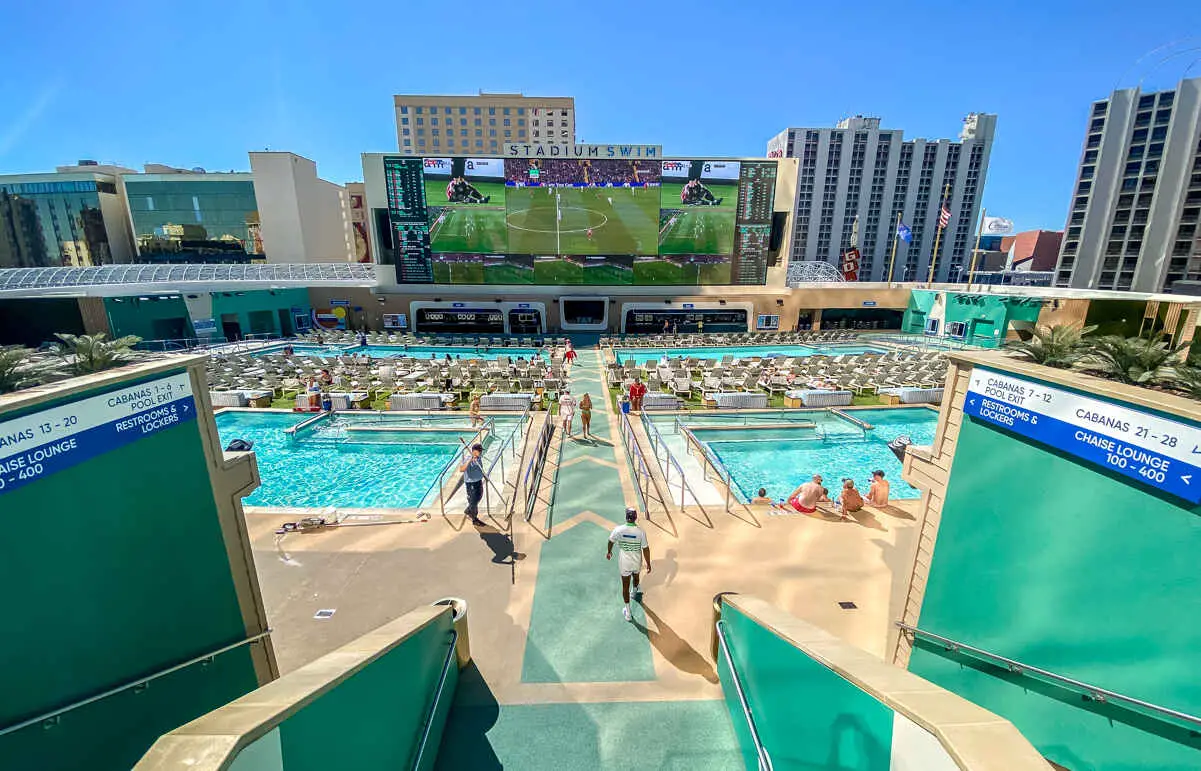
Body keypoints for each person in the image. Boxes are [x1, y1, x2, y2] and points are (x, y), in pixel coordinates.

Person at [607, 507, 651, 622]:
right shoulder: (641, 532)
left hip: (624, 563)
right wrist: (648, 563)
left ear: (626, 517)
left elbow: (610, 541)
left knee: (624, 586)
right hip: (637, 561)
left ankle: (628, 612)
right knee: (636, 576)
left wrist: (609, 552)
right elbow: (646, 549)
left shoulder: (618, 530)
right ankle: (634, 591)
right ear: (635, 518)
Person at [459, 442, 486, 526]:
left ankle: (468, 510)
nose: (481, 452)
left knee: (479, 497)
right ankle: (474, 518)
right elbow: (461, 469)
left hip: (478, 481)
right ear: (474, 451)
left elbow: (479, 468)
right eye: (480, 451)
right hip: (471, 484)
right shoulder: (467, 458)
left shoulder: (478, 457)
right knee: (473, 501)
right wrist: (470, 460)